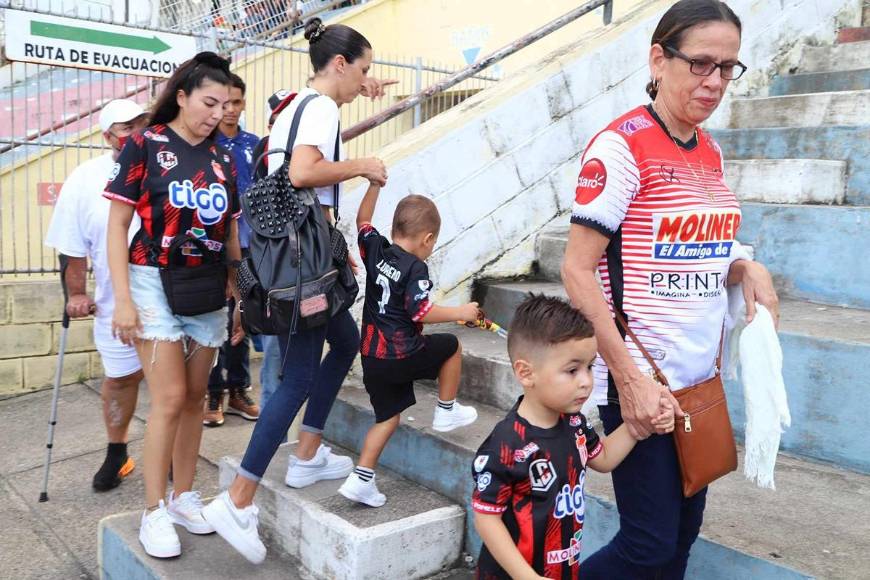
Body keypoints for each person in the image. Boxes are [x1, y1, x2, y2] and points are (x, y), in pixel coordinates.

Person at [560, 1, 779, 577]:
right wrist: (629, 381)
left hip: (697, 383)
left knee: (681, 539)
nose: (714, 81)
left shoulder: (708, 149)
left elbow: (702, 243)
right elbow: (577, 270)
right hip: (643, 382)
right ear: (659, 58)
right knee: (647, 546)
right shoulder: (620, 147)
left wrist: (743, 267)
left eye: (728, 67)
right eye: (701, 63)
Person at [202, 17, 389, 564]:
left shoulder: (297, 103)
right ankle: (238, 500)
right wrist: (365, 166)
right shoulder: (322, 108)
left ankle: (307, 451)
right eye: (363, 70)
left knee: (347, 340)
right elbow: (305, 172)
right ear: (338, 64)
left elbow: (295, 161)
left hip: (302, 255)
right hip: (301, 263)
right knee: (298, 375)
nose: (365, 80)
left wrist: (365, 88)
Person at [105, 51, 244, 559]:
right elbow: (118, 226)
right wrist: (121, 300)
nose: (217, 113)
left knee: (193, 397)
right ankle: (152, 511)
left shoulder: (224, 156)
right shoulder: (145, 143)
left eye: (225, 104)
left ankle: (185, 497)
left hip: (206, 287)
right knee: (166, 398)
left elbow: (228, 232)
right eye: (209, 102)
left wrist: (240, 290)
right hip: (149, 281)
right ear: (181, 96)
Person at [471, 295, 674, 579]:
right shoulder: (506, 444)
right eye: (572, 370)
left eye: (590, 367)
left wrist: (641, 425)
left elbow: (602, 458)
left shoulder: (574, 424)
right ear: (526, 373)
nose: (586, 381)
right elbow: (486, 517)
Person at [337, 187, 480, 507]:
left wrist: (374, 185)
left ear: (394, 229)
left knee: (388, 417)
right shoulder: (416, 268)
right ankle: (446, 411)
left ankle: (361, 479)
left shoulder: (376, 248)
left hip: (371, 356)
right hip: (402, 353)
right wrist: (461, 312)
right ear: (427, 239)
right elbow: (421, 312)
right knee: (451, 346)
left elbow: (362, 220)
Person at [44, 99, 149, 492]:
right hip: (115, 305)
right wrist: (75, 292)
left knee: (178, 385)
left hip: (174, 301)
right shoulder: (86, 178)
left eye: (143, 123)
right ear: (107, 137)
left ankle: (173, 450)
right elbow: (71, 247)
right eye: (127, 127)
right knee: (121, 379)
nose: (138, 132)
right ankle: (117, 451)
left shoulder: (169, 165)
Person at [204, 72, 261, 428]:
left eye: (237, 102)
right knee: (216, 324)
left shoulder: (253, 145)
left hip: (250, 250)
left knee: (243, 319)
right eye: (223, 103)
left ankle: (239, 389)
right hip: (215, 250)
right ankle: (213, 394)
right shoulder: (204, 146)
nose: (230, 110)